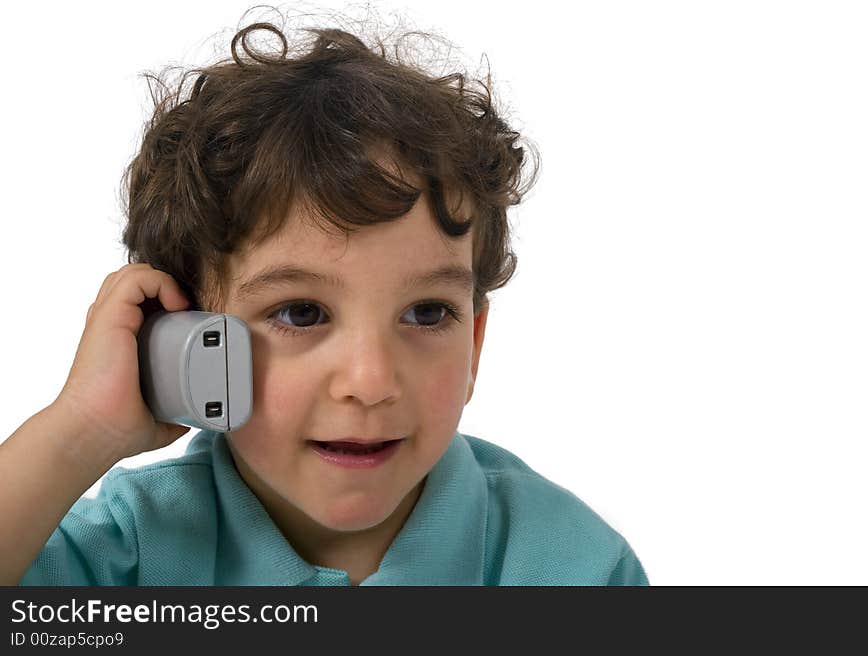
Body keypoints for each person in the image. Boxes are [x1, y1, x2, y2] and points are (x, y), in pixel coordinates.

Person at [0, 14, 648, 586]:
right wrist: (79, 433)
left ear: (474, 341)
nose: (370, 383)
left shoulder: (577, 569)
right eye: (301, 313)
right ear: (186, 345)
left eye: (427, 313)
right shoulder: (129, 552)